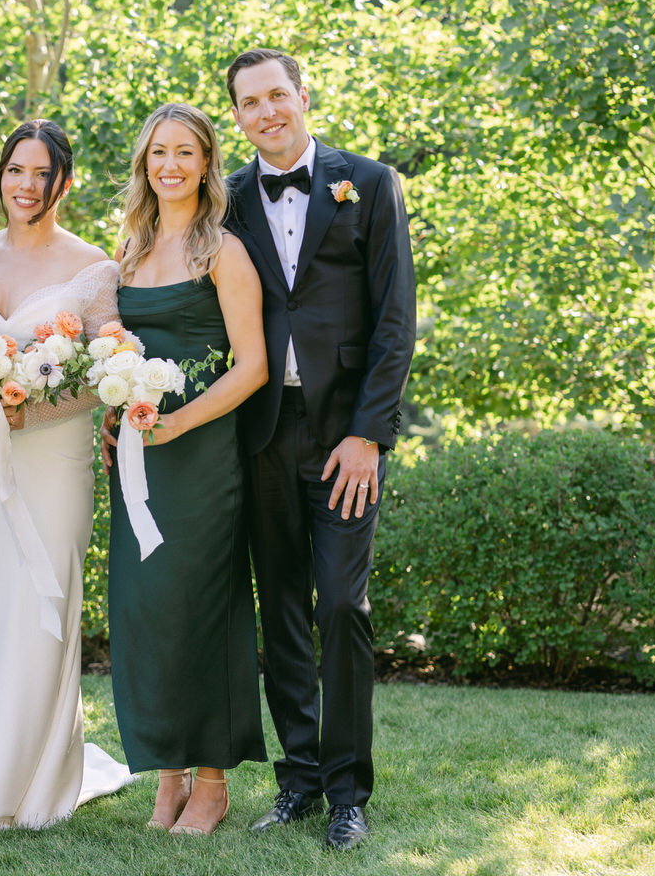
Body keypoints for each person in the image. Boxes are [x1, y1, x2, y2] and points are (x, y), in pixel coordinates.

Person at [0, 120, 137, 828]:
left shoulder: (93, 266)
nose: (26, 185)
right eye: (16, 170)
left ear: (63, 182)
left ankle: (35, 783)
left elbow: (104, 370)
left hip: (54, 461)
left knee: (43, 605)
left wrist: (23, 412)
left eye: (42, 173)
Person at [223, 48, 415, 851]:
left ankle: (348, 790)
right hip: (261, 433)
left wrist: (369, 434)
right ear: (236, 115)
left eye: (277, 96)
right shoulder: (225, 197)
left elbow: (394, 321)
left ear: (303, 97)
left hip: (346, 437)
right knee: (283, 616)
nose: (267, 112)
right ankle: (299, 779)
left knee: (340, 605)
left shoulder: (369, 184)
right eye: (249, 103)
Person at [101, 102, 268, 837]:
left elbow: (254, 366)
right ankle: (166, 777)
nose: (170, 165)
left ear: (207, 164)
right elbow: (115, 355)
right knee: (149, 613)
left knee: (201, 607)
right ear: (145, 163)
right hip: (138, 460)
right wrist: (117, 413)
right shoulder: (129, 251)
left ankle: (211, 783)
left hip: (199, 459)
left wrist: (178, 424)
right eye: (158, 152)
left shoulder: (223, 252)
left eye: (185, 153)